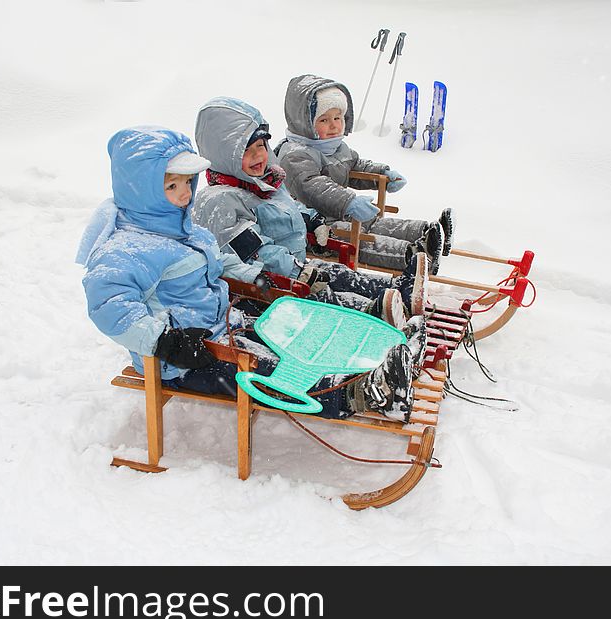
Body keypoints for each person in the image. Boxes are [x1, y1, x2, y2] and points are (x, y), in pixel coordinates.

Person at [76, 126, 423, 422]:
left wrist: (254, 276)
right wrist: (164, 341)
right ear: (143, 190)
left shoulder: (180, 228)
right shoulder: (124, 250)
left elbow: (218, 261)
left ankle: (379, 353)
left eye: (187, 182)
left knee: (296, 331)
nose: (185, 194)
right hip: (185, 357)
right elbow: (110, 307)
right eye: (171, 187)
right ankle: (363, 393)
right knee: (266, 371)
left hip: (227, 322)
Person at [191, 96, 430, 325]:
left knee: (339, 273)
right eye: (246, 151)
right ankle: (375, 315)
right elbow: (255, 252)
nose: (258, 156)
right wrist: (298, 271)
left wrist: (313, 220)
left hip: (297, 266)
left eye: (261, 146)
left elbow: (287, 207)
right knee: (328, 299)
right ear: (224, 155)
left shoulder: (261, 181)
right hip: (270, 287)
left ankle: (401, 293)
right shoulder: (221, 201)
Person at [276, 73, 453, 275]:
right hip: (312, 225)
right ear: (304, 123)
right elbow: (312, 186)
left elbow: (354, 167)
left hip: (337, 212)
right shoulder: (294, 154)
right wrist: (349, 201)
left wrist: (383, 175)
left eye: (338, 117)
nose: (334, 125)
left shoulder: (334, 147)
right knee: (358, 236)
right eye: (324, 120)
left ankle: (428, 233)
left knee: (373, 222)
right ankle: (414, 255)